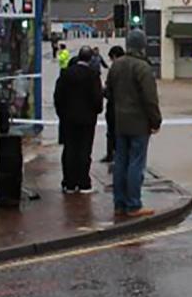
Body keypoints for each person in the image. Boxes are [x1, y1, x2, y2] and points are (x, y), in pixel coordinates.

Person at [106, 31, 161, 217]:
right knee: (136, 163)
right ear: (142, 45)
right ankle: (134, 204)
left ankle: (119, 203)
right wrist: (156, 121)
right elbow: (150, 99)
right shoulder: (143, 68)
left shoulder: (116, 66)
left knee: (120, 161)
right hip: (139, 123)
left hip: (120, 122)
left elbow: (108, 92)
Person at [53, 47, 103, 194]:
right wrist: (96, 111)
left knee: (69, 149)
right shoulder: (93, 75)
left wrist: (62, 114)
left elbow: (58, 97)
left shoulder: (65, 74)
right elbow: (97, 98)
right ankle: (83, 183)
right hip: (87, 120)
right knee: (84, 150)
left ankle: (69, 183)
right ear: (90, 59)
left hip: (68, 119)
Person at [100, 45, 125, 163]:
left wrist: (102, 91)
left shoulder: (114, 69)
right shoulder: (133, 67)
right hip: (129, 109)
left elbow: (108, 91)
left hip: (113, 107)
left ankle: (112, 155)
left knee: (111, 133)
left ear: (114, 56)